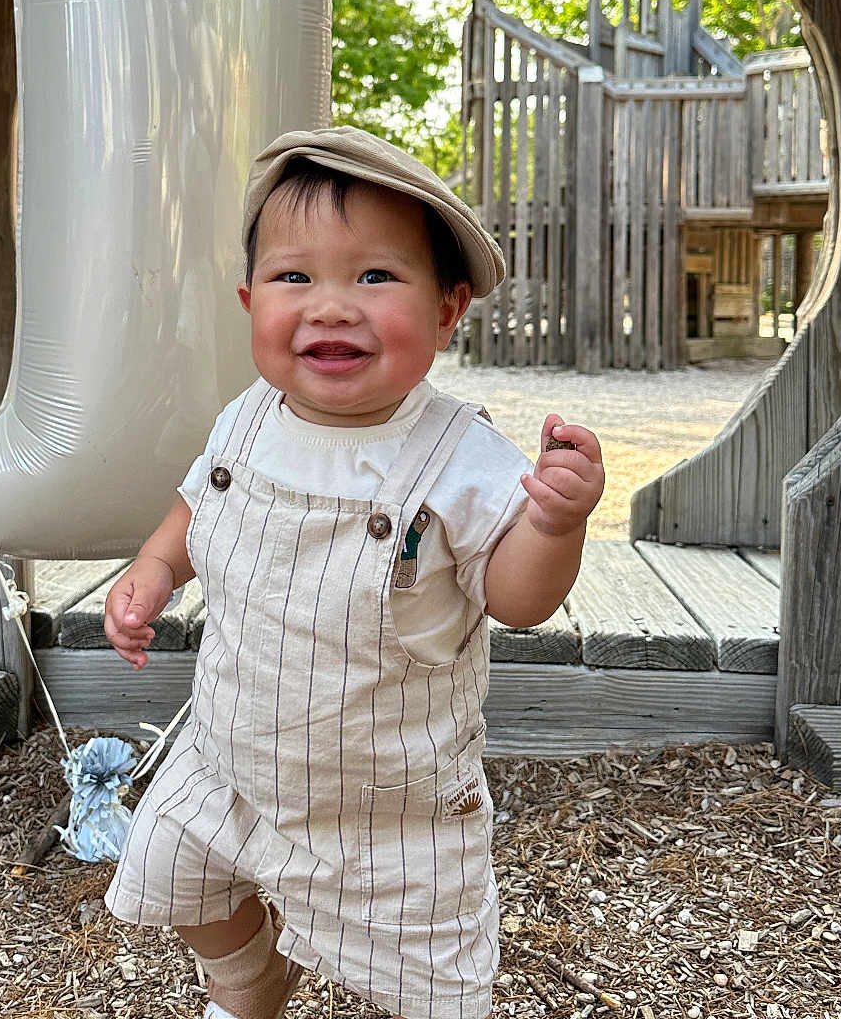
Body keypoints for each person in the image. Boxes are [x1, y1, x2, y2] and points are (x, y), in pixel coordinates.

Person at [103, 127, 606, 1019]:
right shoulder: (249, 418)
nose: (332, 306)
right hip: (231, 763)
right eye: (296, 277)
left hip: (389, 810)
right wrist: (154, 564)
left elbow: (519, 600)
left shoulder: (460, 455)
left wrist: (555, 523)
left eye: (376, 276)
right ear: (249, 298)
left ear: (449, 310)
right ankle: (249, 978)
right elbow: (198, 505)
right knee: (183, 883)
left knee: (423, 984)